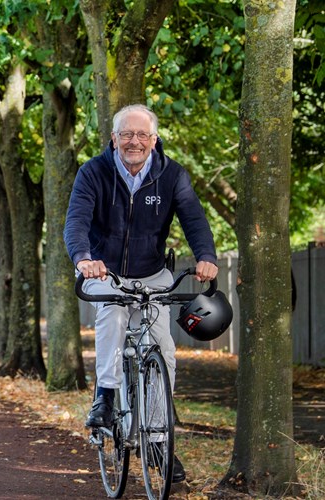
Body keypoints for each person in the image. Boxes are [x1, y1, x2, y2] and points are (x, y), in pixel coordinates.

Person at [64, 104, 218, 484]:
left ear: (154, 140)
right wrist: (84, 259)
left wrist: (206, 258)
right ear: (114, 139)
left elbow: (194, 219)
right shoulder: (93, 172)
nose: (134, 141)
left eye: (142, 135)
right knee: (113, 316)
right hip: (107, 271)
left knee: (162, 347)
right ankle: (106, 399)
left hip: (152, 273)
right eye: (126, 135)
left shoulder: (172, 175)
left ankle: (159, 441)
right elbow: (77, 221)